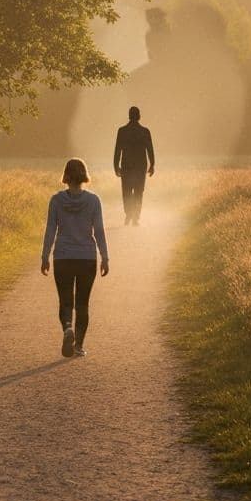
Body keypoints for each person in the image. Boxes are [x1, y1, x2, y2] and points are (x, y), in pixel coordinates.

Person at [40, 158, 109, 357]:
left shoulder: (56, 200)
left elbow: (50, 230)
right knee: (83, 303)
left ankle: (67, 328)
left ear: (66, 176)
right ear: (84, 175)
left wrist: (45, 256)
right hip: (86, 257)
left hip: (63, 257)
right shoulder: (93, 200)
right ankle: (78, 345)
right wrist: (105, 256)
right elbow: (99, 231)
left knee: (65, 301)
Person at [112, 105, 156, 226]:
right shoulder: (145, 131)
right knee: (138, 191)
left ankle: (129, 214)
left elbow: (117, 150)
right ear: (139, 116)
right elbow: (150, 150)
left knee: (126, 191)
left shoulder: (122, 131)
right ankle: (136, 217)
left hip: (126, 166)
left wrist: (116, 166)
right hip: (140, 167)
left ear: (129, 116)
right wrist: (152, 164)